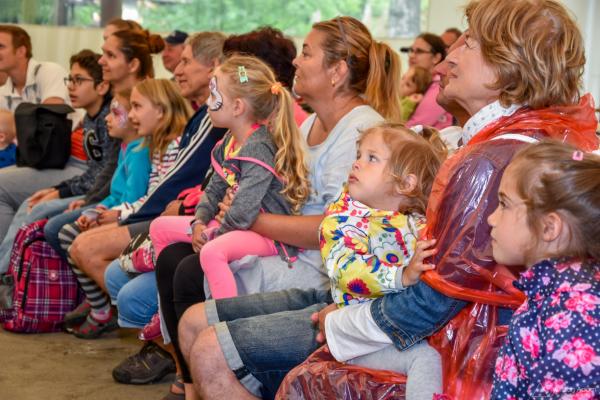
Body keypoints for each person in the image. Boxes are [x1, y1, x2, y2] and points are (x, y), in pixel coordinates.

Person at [178, 1, 598, 399]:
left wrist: (340, 323)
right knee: (199, 323)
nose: (447, 58)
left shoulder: (491, 160)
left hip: (409, 321)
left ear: (506, 65)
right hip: (374, 289)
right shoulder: (489, 143)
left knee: (212, 349)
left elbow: (436, 300)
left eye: (468, 42)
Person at [169, 15, 400, 399]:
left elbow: (331, 229)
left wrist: (251, 218)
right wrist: (235, 205)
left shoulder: (361, 132)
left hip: (322, 272)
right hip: (290, 249)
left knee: (193, 271)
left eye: (307, 53)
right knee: (184, 260)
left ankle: (233, 371)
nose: (295, 61)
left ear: (337, 71)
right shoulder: (308, 125)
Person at [318, 123, 445, 400]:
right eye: (359, 155)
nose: (357, 163)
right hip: (363, 340)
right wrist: (402, 275)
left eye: (371, 158)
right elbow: (348, 271)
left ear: (405, 184)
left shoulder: (415, 222)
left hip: (398, 326)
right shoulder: (341, 222)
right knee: (425, 359)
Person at [60, 79, 190, 339]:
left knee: (82, 246)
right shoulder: (158, 146)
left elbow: (154, 201)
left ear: (161, 111)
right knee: (74, 238)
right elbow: (150, 197)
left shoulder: (172, 147)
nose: (130, 115)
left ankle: (142, 323)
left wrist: (118, 214)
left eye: (137, 107)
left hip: (159, 221)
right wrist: (108, 210)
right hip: (147, 215)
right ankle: (126, 313)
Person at [488, 141, 600, 399]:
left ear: (549, 227)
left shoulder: (576, 313)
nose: (491, 218)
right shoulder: (553, 291)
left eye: (504, 204)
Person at [0, 49, 112, 273]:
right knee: (30, 200)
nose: (71, 87)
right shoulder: (90, 116)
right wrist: (57, 189)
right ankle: (8, 270)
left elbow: (102, 171)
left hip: (89, 182)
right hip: (78, 174)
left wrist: (60, 191)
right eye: (70, 79)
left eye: (79, 80)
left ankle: (7, 273)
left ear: (101, 86)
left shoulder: (106, 119)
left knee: (34, 205)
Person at [61, 89, 151, 332]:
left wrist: (103, 215)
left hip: (129, 214)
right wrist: (99, 208)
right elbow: (115, 193)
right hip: (116, 210)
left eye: (115, 113)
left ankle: (101, 307)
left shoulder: (139, 153)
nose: (108, 119)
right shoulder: (125, 148)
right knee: (69, 231)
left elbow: (133, 198)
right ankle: (97, 299)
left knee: (68, 234)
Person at [0, 25, 69, 111]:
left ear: (21, 51)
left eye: (0, 46)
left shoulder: (50, 71)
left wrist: (11, 118)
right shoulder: (2, 92)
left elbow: (50, 115)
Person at [400, 33, 452, 129]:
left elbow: (416, 126)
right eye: (411, 50)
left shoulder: (440, 86)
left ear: (436, 58)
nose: (411, 55)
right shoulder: (414, 78)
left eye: (419, 51)